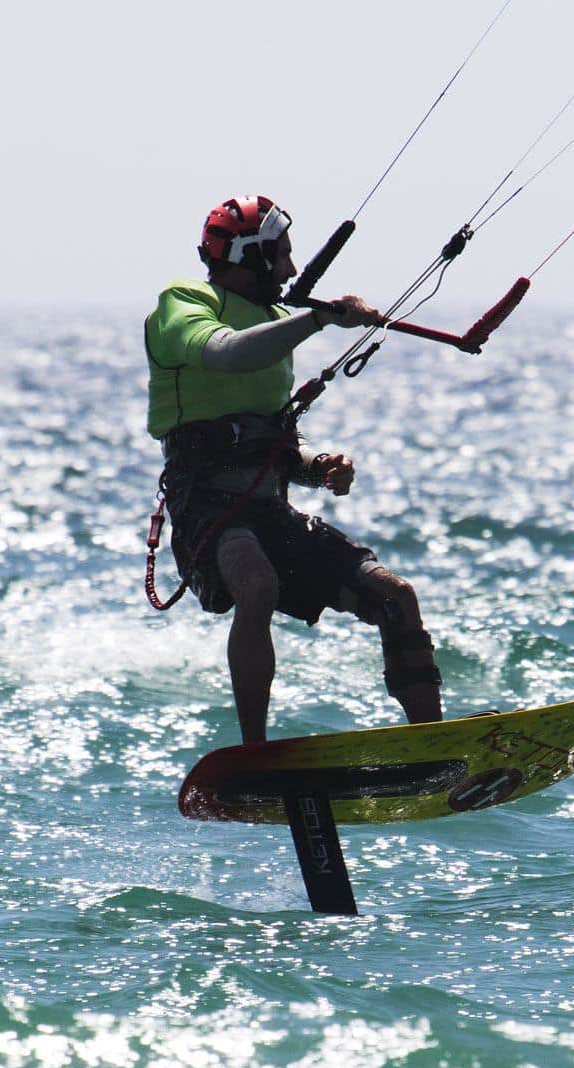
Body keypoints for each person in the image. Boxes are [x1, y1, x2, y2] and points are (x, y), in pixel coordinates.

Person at [145, 195, 442, 743]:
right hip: (207, 512)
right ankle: (254, 749)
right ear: (251, 257)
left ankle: (434, 741)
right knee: (255, 582)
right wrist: (316, 319)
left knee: (395, 596)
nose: (288, 270)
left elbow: (278, 448)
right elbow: (227, 353)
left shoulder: (276, 321)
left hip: (270, 513)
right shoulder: (183, 302)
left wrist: (318, 465)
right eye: (280, 256)